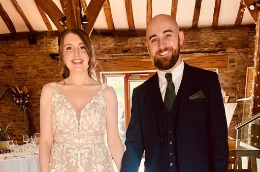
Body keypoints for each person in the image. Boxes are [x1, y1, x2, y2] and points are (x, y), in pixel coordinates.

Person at [121, 14, 229, 172]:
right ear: (148, 47)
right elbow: (133, 148)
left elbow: (218, 142)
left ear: (180, 37)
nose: (161, 45)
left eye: (167, 35)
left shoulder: (208, 82)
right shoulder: (140, 94)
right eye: (153, 39)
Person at [39, 28, 124, 171]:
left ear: (90, 53)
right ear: (62, 56)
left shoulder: (107, 92)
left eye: (82, 47)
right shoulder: (50, 91)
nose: (76, 54)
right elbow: (45, 141)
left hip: (98, 167)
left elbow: (114, 141)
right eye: (69, 48)